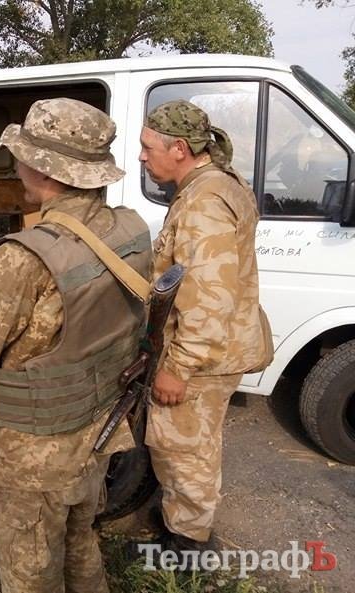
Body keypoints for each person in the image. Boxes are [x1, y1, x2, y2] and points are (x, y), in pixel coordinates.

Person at [0, 98, 152, 593]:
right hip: (97, 430)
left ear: (41, 169)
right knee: (79, 541)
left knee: (30, 570)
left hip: (36, 453)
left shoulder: (20, 258)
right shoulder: (130, 230)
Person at [139, 100, 272, 551]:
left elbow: (206, 295)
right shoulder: (214, 183)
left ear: (179, 149)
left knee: (184, 450)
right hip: (215, 347)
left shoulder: (205, 200)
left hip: (202, 355)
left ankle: (188, 546)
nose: (141, 156)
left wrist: (178, 366)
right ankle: (184, 523)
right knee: (192, 444)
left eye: (147, 147)